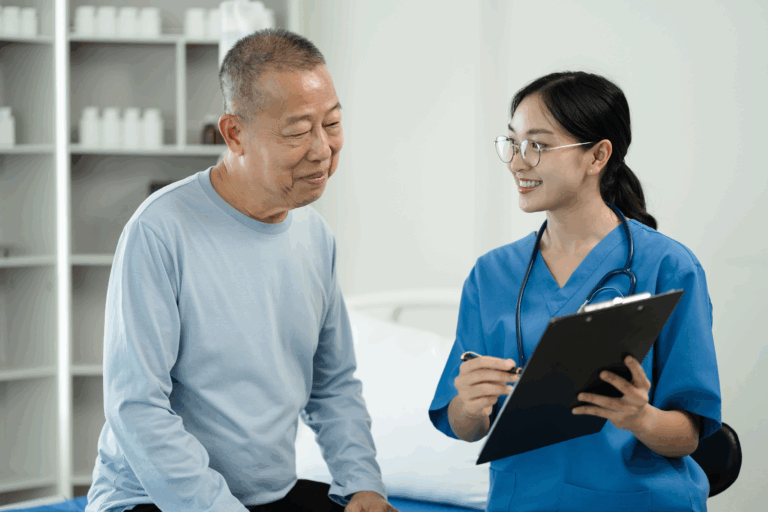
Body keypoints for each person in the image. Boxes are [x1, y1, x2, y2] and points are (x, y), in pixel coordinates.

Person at [86, 29, 397, 512]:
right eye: (297, 132)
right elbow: (137, 407)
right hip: (152, 498)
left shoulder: (314, 238)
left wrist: (363, 484)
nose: (322, 149)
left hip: (265, 495)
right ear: (234, 133)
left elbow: (332, 385)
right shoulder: (160, 230)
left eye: (332, 123)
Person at [429, 71, 721, 512]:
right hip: (523, 501)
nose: (517, 162)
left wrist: (639, 417)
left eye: (538, 146)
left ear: (598, 155)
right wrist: (470, 405)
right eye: (513, 142)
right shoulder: (492, 275)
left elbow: (689, 435)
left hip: (639, 501)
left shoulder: (668, 267)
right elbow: (465, 427)